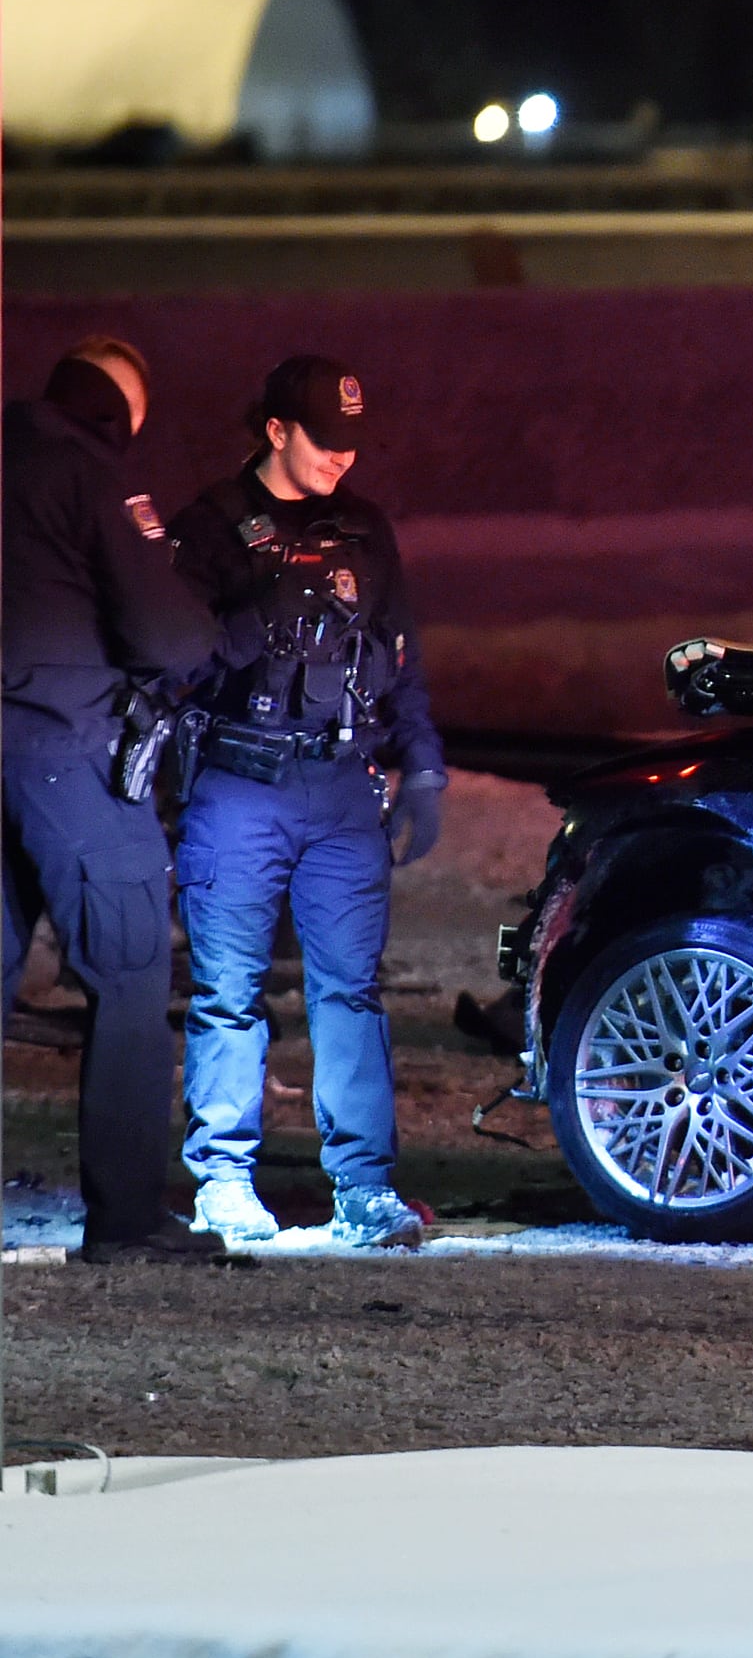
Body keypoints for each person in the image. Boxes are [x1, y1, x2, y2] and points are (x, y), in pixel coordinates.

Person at [167, 357, 446, 1249]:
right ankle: (223, 1182)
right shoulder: (211, 527)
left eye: (352, 444)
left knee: (350, 993)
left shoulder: (363, 529)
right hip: (239, 787)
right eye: (325, 441)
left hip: (340, 789)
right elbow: (170, 662)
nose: (341, 459)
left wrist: (424, 767)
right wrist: (252, 620)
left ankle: (363, 1188)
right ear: (276, 430)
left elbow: (400, 657)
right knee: (228, 991)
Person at [3, 336, 231, 1262]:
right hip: (68, 750)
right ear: (120, 413)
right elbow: (167, 635)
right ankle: (127, 1218)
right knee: (131, 973)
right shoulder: (92, 473)